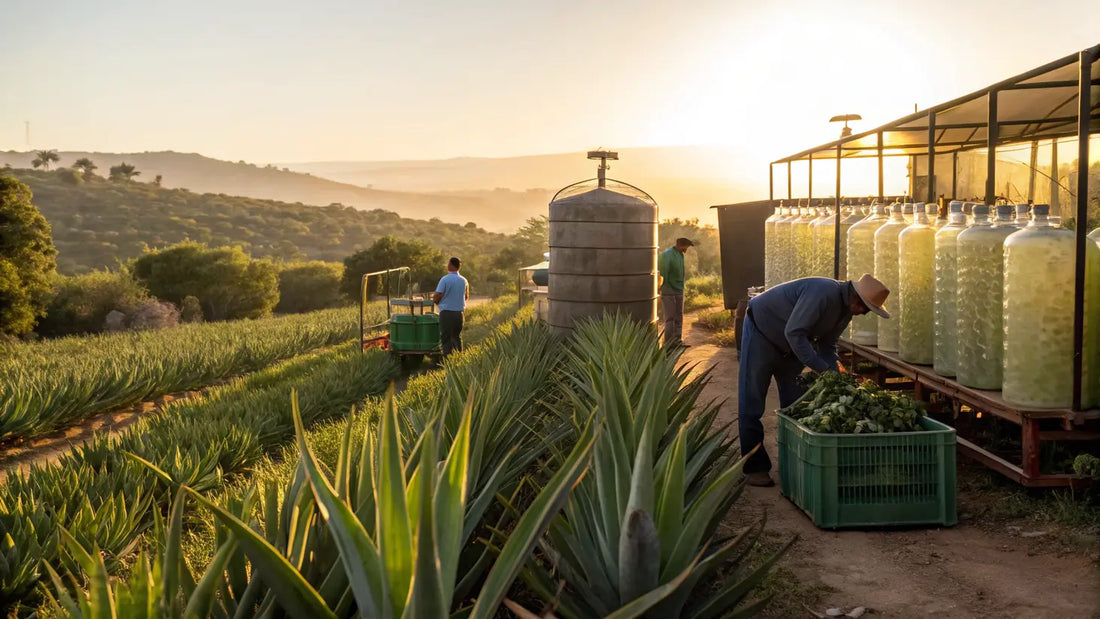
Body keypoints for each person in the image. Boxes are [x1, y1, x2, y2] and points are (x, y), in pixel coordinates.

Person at [738, 274, 890, 487]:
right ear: (857, 300)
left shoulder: (845, 312)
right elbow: (794, 332)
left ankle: (794, 464)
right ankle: (755, 468)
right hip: (762, 334)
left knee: (796, 406)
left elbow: (828, 346)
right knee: (751, 403)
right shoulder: (823, 293)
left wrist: (839, 374)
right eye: (865, 310)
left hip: (791, 348)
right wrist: (822, 369)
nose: (864, 314)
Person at [657, 237, 693, 347]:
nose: (687, 249)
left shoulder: (680, 254)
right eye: (686, 246)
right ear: (681, 245)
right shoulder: (666, 255)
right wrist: (664, 288)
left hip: (679, 289)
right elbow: (663, 274)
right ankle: (668, 343)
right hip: (669, 290)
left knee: (679, 316)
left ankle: (677, 341)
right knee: (670, 318)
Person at [432, 256, 469, 356]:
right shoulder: (464, 280)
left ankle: (448, 362)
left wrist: (435, 300)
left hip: (446, 313)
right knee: (457, 337)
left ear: (451, 265)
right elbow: (466, 296)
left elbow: (439, 294)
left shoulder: (445, 279)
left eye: (448, 263)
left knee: (446, 338)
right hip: (459, 313)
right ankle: (459, 359)